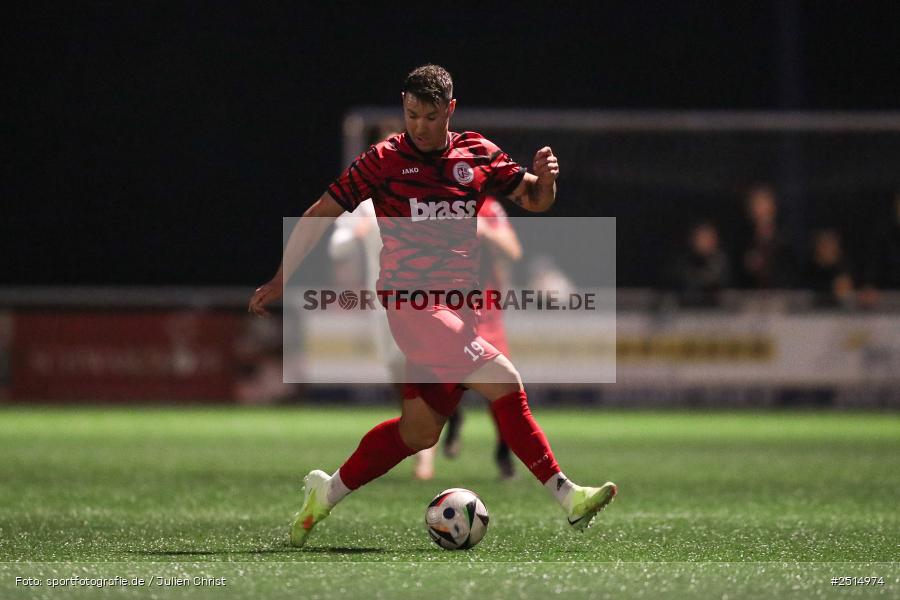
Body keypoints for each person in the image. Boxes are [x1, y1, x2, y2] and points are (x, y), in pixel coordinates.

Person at [248, 64, 616, 548]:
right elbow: (320, 213)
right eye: (412, 114)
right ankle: (568, 496)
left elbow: (532, 197)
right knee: (505, 380)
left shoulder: (476, 153)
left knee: (419, 432)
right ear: (404, 104)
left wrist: (547, 181)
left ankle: (327, 491)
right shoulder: (382, 160)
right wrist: (282, 278)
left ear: (451, 110)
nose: (419, 125)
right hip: (411, 307)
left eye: (430, 116)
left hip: (458, 310)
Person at [442, 196, 521, 480]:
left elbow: (513, 250)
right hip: (445, 310)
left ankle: (504, 451)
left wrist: (484, 230)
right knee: (439, 385)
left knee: (501, 386)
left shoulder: (488, 207)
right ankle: (454, 418)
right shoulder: (433, 202)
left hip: (484, 313)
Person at [668, 221, 731, 307]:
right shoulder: (683, 262)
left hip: (718, 314)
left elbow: (716, 285)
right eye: (702, 238)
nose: (706, 242)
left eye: (709, 238)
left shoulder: (721, 261)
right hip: (687, 313)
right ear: (693, 239)